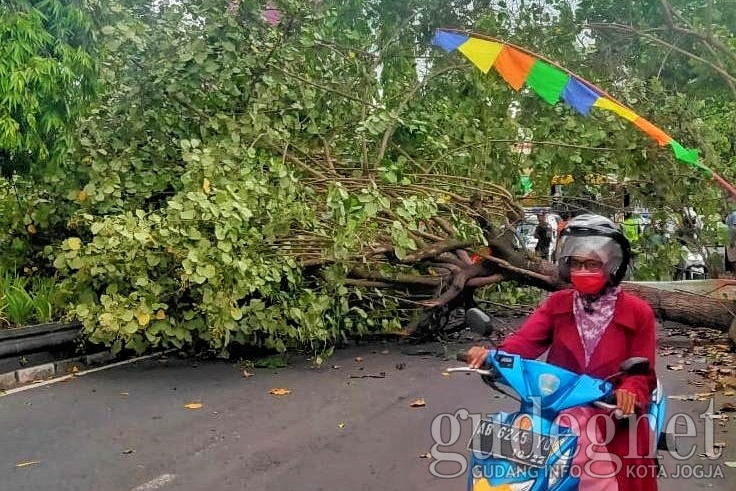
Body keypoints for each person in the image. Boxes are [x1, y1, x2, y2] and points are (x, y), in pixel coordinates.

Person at [466, 214, 658, 491]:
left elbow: (643, 375)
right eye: (577, 263)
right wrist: (493, 356)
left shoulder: (638, 313)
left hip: (610, 415)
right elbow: (524, 342)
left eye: (592, 264)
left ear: (612, 266)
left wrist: (629, 392)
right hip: (556, 410)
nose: (583, 270)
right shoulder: (558, 304)